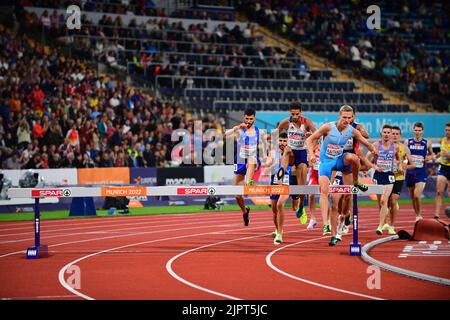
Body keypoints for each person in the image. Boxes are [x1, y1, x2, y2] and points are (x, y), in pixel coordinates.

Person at [305, 105, 377, 246]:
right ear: (339, 116)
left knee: (353, 159)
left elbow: (366, 142)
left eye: (350, 118)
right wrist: (312, 154)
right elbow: (309, 140)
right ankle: (326, 225)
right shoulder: (328, 127)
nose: (347, 120)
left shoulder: (352, 130)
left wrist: (373, 149)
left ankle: (355, 182)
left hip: (339, 161)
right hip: (326, 163)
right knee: (325, 191)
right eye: (344, 117)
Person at [275, 101, 316, 223]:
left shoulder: (307, 122)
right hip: (291, 151)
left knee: (301, 186)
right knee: (287, 150)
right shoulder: (286, 122)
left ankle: (302, 205)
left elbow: (317, 134)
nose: (294, 117)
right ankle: (281, 172)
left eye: (297, 114)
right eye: (292, 114)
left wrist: (311, 146)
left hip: (302, 153)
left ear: (301, 113)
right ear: (290, 113)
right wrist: (276, 142)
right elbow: (278, 131)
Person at [225, 108, 264, 226]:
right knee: (237, 195)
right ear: (244, 117)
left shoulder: (259, 131)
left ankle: (249, 181)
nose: (249, 121)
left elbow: (263, 146)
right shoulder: (239, 130)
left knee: (251, 161)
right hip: (240, 161)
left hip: (253, 160)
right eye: (247, 118)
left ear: (254, 118)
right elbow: (225, 134)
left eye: (251, 119)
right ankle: (245, 211)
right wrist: (236, 128)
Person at [366, 125, 400, 235]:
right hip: (378, 175)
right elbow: (367, 159)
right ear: (381, 133)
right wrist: (373, 166)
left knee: (384, 201)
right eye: (384, 132)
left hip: (389, 175)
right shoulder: (376, 145)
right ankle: (384, 221)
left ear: (391, 134)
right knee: (380, 202)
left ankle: (381, 226)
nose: (386, 134)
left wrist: (398, 166)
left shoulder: (395, 147)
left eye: (388, 132)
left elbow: (397, 158)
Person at [386, 126, 415, 233]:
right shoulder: (384, 147)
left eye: (397, 134)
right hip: (386, 177)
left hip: (398, 177)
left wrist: (404, 166)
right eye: (392, 133)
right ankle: (385, 221)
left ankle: (392, 226)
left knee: (393, 200)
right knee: (385, 202)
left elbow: (413, 165)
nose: (394, 136)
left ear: (400, 136)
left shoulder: (405, 148)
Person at [405, 122, 435, 221]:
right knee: (413, 197)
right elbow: (403, 155)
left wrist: (429, 158)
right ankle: (417, 214)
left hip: (421, 172)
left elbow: (432, 155)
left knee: (417, 195)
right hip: (410, 172)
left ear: (422, 131)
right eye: (416, 130)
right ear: (413, 130)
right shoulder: (407, 142)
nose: (417, 132)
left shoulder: (427, 142)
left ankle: (419, 215)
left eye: (419, 130)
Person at [267, 131, 292, 244]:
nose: (282, 143)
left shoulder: (290, 151)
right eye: (280, 140)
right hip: (274, 179)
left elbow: (292, 163)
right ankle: (277, 229)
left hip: (286, 179)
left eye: (284, 141)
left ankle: (280, 233)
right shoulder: (272, 151)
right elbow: (270, 163)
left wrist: (286, 154)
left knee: (280, 204)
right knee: (274, 209)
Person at [435, 122, 450, 219]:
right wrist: (434, 157)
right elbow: (441, 153)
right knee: (439, 192)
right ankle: (436, 214)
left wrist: (448, 155)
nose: (447, 132)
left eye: (449, 130)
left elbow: (445, 154)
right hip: (443, 167)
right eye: (446, 130)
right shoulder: (442, 140)